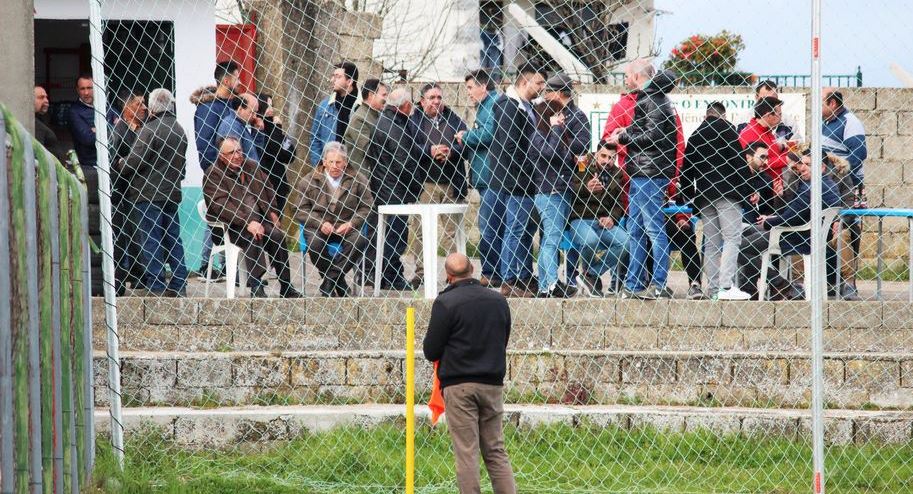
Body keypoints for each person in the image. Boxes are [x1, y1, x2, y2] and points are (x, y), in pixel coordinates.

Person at [423, 253, 517, 494]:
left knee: (467, 453)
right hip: (492, 384)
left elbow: (431, 350)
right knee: (495, 450)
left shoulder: (446, 303)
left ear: (448, 276)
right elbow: (503, 338)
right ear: (473, 268)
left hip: (459, 385)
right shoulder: (498, 301)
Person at [606, 68, 680, 300]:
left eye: (628, 75)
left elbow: (653, 135)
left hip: (650, 173)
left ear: (638, 75)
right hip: (639, 172)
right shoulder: (650, 98)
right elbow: (646, 129)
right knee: (636, 230)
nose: (625, 79)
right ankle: (634, 283)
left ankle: (658, 283)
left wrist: (623, 138)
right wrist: (626, 130)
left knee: (654, 229)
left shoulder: (654, 99)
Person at [203, 137, 302, 298]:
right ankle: (256, 285)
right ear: (221, 156)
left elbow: (269, 189)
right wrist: (247, 222)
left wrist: (272, 212)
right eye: (231, 153)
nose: (237, 155)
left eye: (239, 151)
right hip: (231, 226)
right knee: (252, 236)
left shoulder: (251, 166)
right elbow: (220, 206)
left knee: (277, 235)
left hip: (260, 220)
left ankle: (286, 285)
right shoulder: (213, 174)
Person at [738, 153, 841, 300]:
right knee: (748, 232)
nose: (802, 167)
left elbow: (791, 218)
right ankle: (750, 287)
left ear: (822, 168)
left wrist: (768, 222)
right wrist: (773, 218)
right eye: (802, 163)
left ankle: (779, 283)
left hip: (795, 236)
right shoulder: (828, 184)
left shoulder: (813, 188)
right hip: (804, 233)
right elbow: (795, 214)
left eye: (809, 164)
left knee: (738, 247)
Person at [679, 102, 752, 300]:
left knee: (710, 244)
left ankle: (713, 290)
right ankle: (726, 287)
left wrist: (691, 198)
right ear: (723, 115)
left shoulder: (695, 135)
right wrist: (749, 190)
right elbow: (739, 162)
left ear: (706, 115)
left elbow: (686, 171)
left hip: (704, 197)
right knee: (731, 238)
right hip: (728, 193)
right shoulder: (727, 129)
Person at [121, 89, 189, 297]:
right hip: (171, 193)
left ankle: (156, 284)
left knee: (151, 238)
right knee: (173, 238)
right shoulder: (179, 130)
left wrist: (120, 164)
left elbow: (135, 160)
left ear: (152, 107)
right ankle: (179, 284)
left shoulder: (149, 129)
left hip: (148, 194)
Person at [489, 63, 547, 298]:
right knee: (515, 229)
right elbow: (510, 146)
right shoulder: (508, 107)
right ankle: (509, 279)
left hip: (528, 179)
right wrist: (530, 169)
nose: (542, 87)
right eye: (539, 82)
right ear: (525, 82)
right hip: (517, 180)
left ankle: (523, 275)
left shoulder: (526, 107)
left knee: (525, 230)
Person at [532, 72, 590, 298]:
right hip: (550, 187)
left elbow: (582, 145)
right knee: (551, 239)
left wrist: (564, 144)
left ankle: (548, 284)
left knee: (552, 238)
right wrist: (561, 139)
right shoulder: (544, 117)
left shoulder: (577, 116)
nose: (544, 95)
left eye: (547, 91)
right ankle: (549, 284)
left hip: (565, 185)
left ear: (556, 93)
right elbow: (548, 151)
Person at [408, 83, 469, 287]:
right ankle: (421, 271)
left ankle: (455, 272)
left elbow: (466, 144)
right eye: (432, 97)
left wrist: (450, 151)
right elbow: (408, 146)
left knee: (452, 231)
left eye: (439, 97)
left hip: (451, 182)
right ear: (422, 100)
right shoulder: (413, 120)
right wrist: (430, 150)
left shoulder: (453, 118)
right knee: (421, 230)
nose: (436, 101)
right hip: (425, 183)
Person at [295, 142, 373, 297]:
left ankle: (330, 280)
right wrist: (320, 223)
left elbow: (367, 206)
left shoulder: (358, 179)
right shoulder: (308, 180)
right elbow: (299, 210)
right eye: (331, 162)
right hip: (318, 226)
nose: (335, 166)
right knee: (315, 243)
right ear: (324, 162)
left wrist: (352, 223)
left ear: (345, 162)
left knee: (359, 239)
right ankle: (339, 282)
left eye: (338, 162)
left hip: (346, 225)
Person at [367, 88, 425, 290]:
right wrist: (417, 186)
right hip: (394, 190)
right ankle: (392, 277)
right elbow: (404, 161)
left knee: (388, 235)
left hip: (385, 187)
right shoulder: (392, 126)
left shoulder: (387, 121)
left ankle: (381, 276)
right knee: (395, 236)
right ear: (406, 105)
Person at [192, 60, 242, 279]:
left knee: (226, 216)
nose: (240, 82)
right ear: (226, 80)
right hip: (219, 173)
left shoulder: (228, 105)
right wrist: (217, 171)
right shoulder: (209, 108)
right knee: (216, 215)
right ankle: (207, 265)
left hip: (234, 172)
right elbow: (204, 144)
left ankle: (225, 266)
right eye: (237, 77)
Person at [457, 69, 503, 288]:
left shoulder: (492, 105)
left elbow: (489, 134)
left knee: (489, 227)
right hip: (488, 177)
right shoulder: (486, 105)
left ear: (483, 86)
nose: (468, 93)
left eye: (470, 87)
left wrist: (466, 136)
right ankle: (497, 271)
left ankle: (491, 272)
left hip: (491, 177)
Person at [822, 89, 868, 300]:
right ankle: (831, 281)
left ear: (832, 103)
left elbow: (859, 153)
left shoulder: (850, 122)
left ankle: (849, 283)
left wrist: (837, 175)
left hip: (848, 187)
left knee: (847, 230)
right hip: (825, 188)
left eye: (820, 101)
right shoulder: (825, 123)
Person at [569, 140, 628, 297]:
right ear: (595, 155)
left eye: (611, 158)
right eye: (603, 156)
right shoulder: (582, 164)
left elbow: (619, 204)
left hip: (602, 222)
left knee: (626, 243)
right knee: (591, 241)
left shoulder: (617, 174)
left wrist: (612, 218)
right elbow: (570, 188)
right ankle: (591, 278)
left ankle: (590, 275)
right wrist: (586, 188)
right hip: (580, 219)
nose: (607, 161)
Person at [344, 78, 388, 286]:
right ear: (370, 96)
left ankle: (376, 270)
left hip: (374, 181)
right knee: (367, 228)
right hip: (363, 183)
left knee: (376, 228)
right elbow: (369, 148)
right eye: (383, 95)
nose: (385, 100)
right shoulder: (361, 119)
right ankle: (365, 271)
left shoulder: (376, 117)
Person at [110, 89, 148, 294]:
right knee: (131, 234)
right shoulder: (120, 131)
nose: (143, 108)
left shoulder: (144, 129)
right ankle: (133, 274)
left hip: (140, 190)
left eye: (144, 104)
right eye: (138, 104)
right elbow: (114, 162)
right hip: (126, 191)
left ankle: (140, 275)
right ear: (126, 108)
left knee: (139, 233)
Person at [310, 61, 359, 166]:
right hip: (330, 166)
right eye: (333, 76)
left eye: (337, 77)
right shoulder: (325, 106)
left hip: (354, 167)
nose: (332, 80)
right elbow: (315, 138)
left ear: (349, 81)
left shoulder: (360, 107)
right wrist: (319, 165)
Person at [255, 93, 297, 212]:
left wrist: (277, 131)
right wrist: (277, 128)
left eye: (271, 105)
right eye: (267, 106)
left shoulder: (273, 128)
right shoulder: (258, 130)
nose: (271, 110)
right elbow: (272, 149)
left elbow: (289, 155)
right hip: (264, 186)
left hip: (279, 186)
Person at [739, 96, 789, 186]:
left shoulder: (767, 131)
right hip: (762, 191)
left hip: (775, 188)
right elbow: (758, 162)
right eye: (779, 114)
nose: (781, 119)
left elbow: (773, 154)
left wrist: (786, 149)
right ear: (768, 115)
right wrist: (787, 159)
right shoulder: (749, 133)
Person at [741, 141, 781, 226]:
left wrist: (778, 197)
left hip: (756, 227)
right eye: (762, 157)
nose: (766, 162)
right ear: (748, 157)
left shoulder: (766, 179)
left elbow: (770, 210)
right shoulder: (736, 176)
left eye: (767, 158)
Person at [217, 93, 261, 163]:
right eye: (252, 112)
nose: (255, 116)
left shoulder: (240, 123)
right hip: (245, 172)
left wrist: (258, 131)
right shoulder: (231, 125)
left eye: (256, 112)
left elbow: (256, 151)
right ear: (240, 109)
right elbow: (233, 160)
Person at [68, 73, 97, 169]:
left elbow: (122, 130)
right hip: (89, 164)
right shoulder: (74, 112)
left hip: (112, 161)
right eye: (82, 89)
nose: (86, 93)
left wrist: (96, 130)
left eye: (89, 88)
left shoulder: (106, 107)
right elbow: (88, 139)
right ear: (77, 90)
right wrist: (110, 129)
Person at [34, 85, 66, 162]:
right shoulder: (33, 123)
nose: (46, 101)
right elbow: (38, 154)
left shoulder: (42, 119)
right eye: (41, 98)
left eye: (46, 97)